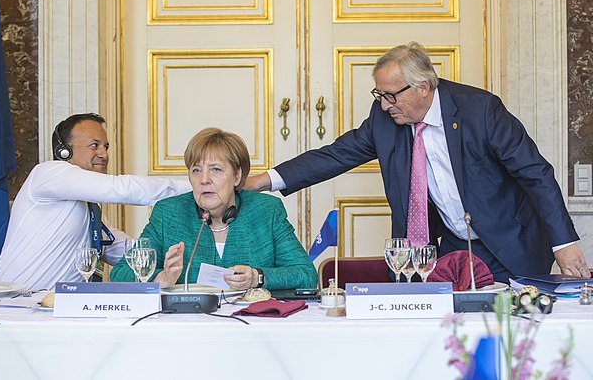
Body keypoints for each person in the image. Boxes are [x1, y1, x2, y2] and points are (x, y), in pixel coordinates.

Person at [246, 42, 590, 283]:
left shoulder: (480, 111)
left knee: (515, 335)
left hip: (513, 241)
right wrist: (264, 181)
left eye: (391, 95)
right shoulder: (385, 121)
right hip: (454, 248)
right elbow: (337, 154)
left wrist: (564, 243)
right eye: (378, 95)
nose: (384, 105)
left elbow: (535, 174)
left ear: (423, 87)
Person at [0, 113, 191, 290]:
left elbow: (123, 250)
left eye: (106, 147)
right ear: (64, 151)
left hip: (54, 311)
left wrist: (180, 257)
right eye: (94, 146)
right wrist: (196, 188)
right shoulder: (48, 173)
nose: (104, 154)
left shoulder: (90, 209)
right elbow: (121, 189)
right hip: (9, 305)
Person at [110, 127, 318, 290]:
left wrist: (257, 277)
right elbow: (119, 274)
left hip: (252, 328)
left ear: (237, 176)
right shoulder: (169, 213)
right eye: (196, 170)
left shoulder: (266, 211)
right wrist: (160, 278)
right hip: (187, 328)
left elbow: (305, 275)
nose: (204, 180)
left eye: (216, 170)